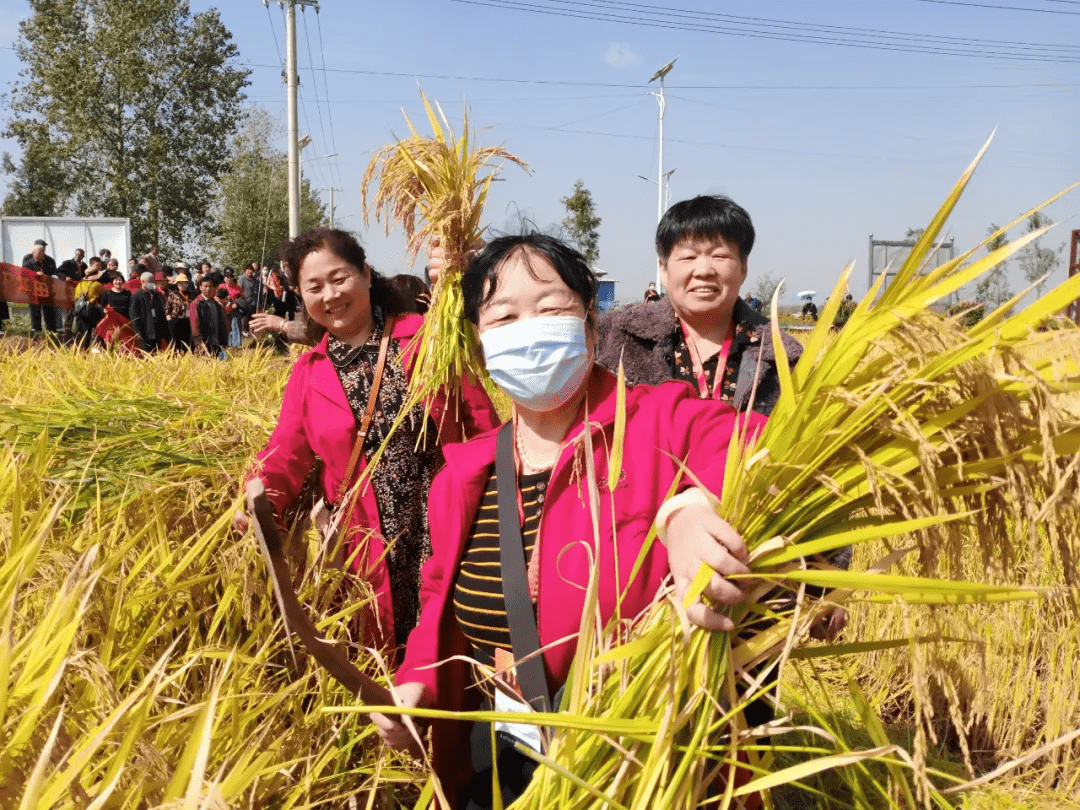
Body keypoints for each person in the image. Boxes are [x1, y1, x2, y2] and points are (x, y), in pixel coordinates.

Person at [375, 233, 767, 806]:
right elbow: (438, 602)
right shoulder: (463, 474)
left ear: (589, 324)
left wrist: (689, 506)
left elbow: (754, 441)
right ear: (480, 344)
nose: (529, 329)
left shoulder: (659, 420)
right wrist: (417, 683)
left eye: (552, 308)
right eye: (503, 316)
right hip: (497, 760)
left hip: (640, 765)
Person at [235, 227, 500, 656]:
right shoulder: (309, 373)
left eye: (339, 278)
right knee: (381, 655)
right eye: (314, 287)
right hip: (365, 548)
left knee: (451, 654)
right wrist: (255, 500)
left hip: (442, 526)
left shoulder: (425, 340)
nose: (330, 295)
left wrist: (499, 499)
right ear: (301, 297)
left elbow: (481, 422)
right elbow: (285, 453)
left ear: (366, 273)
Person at [595, 196, 804, 416]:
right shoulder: (607, 339)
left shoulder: (784, 357)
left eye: (720, 256)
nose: (704, 270)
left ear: (743, 267)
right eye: (688, 257)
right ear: (663, 269)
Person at [21, 239, 60, 335]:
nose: (41, 253)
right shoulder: (28, 262)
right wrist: (35, 275)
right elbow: (23, 275)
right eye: (39, 251)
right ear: (34, 252)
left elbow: (54, 272)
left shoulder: (49, 261)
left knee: (49, 310)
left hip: (47, 290)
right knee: (35, 310)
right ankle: (36, 330)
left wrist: (46, 275)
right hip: (34, 291)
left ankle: (51, 330)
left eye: (43, 251)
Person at [190, 273, 229, 357]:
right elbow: (195, 325)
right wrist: (199, 342)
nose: (208, 289)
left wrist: (224, 341)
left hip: (217, 341)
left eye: (211, 286)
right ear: (200, 287)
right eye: (205, 286)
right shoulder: (196, 304)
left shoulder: (217, 305)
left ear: (215, 288)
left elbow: (222, 324)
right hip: (203, 343)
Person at [130, 271, 168, 353]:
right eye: (150, 282)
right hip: (145, 330)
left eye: (153, 281)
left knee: (158, 352)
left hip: (157, 329)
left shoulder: (156, 294)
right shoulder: (136, 296)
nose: (152, 283)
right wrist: (137, 331)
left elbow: (161, 311)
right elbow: (134, 315)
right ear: (143, 282)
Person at [72, 278, 105, 350]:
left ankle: (84, 350)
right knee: (98, 331)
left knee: (85, 333)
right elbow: (103, 295)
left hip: (80, 313)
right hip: (93, 310)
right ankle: (100, 349)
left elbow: (76, 299)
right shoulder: (97, 284)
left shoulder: (79, 285)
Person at [163, 270, 192, 351]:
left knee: (187, 342)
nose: (183, 285)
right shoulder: (173, 294)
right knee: (176, 344)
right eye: (180, 283)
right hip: (176, 320)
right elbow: (168, 308)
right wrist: (170, 321)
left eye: (184, 283)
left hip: (187, 320)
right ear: (177, 284)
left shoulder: (190, 295)